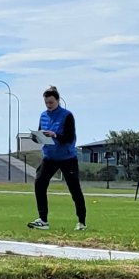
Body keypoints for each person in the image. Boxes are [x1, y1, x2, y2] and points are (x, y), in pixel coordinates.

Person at [27, 85, 87, 231]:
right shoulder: (43, 115)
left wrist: (55, 135)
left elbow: (69, 137)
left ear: (58, 100)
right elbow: (41, 135)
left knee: (74, 188)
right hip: (50, 156)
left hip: (67, 157)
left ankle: (81, 222)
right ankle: (43, 220)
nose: (49, 105)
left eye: (51, 102)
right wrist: (36, 137)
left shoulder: (67, 115)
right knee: (39, 183)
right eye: (46, 103)